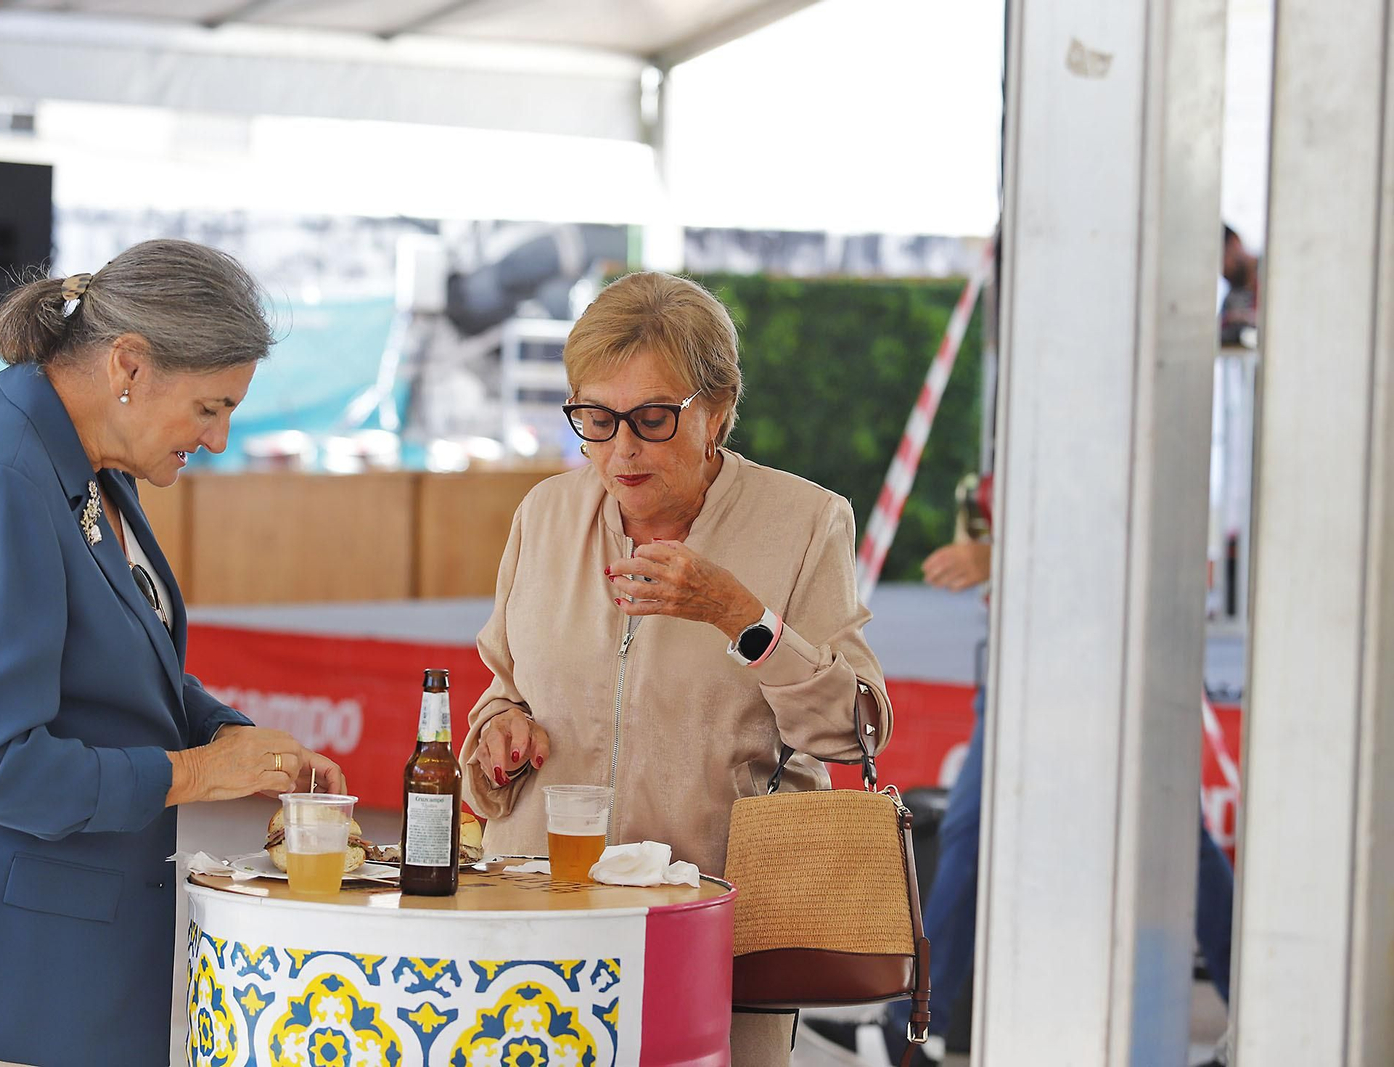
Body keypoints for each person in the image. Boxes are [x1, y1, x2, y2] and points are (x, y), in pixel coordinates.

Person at [0, 239, 344, 1067]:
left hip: (46, 957)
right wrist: (194, 772)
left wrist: (233, 739)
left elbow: (119, 662)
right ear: (129, 366)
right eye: (211, 407)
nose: (218, 439)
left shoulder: (87, 458)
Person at [457, 271, 894, 1067]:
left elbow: (852, 726)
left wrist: (743, 617)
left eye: (652, 418)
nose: (619, 448)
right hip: (536, 927)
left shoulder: (804, 521)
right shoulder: (545, 514)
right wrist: (499, 732)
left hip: (718, 934)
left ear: (717, 409)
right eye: (595, 417)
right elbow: (503, 685)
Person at [806, 497, 1235, 1067]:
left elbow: (1119, 542)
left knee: (983, 831)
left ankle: (913, 1028)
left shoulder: (1096, 429)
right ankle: (915, 1026)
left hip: (1076, 658)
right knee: (984, 832)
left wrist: (1002, 560)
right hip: (1051, 656)